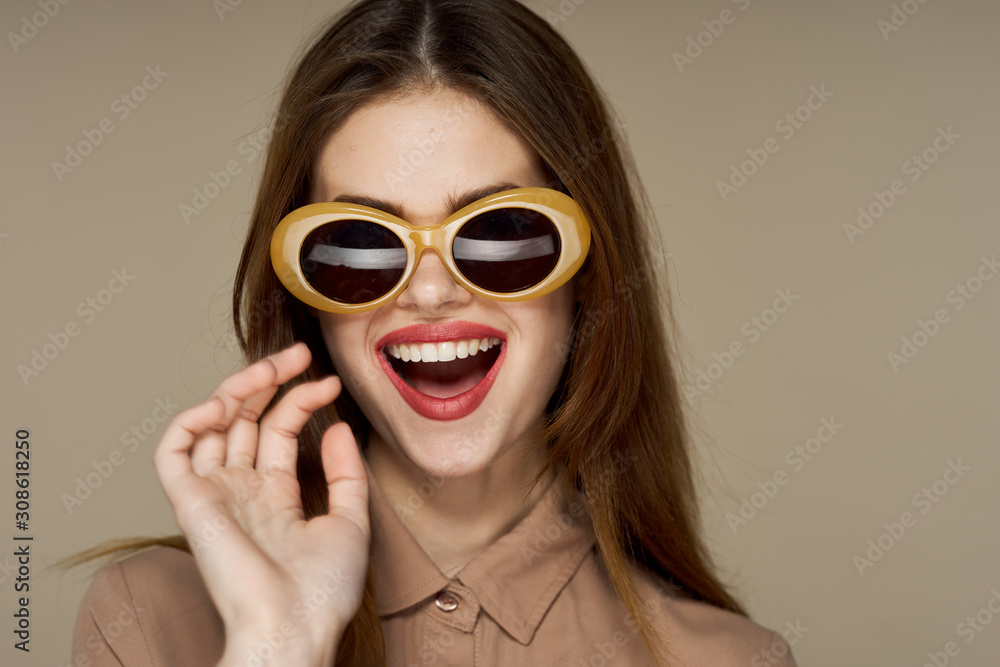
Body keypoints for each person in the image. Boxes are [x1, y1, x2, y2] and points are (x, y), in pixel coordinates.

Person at [67, 1, 798, 665]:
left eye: (502, 233)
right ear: (309, 296)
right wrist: (274, 646)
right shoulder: (149, 621)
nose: (430, 291)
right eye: (359, 245)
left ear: (587, 273)